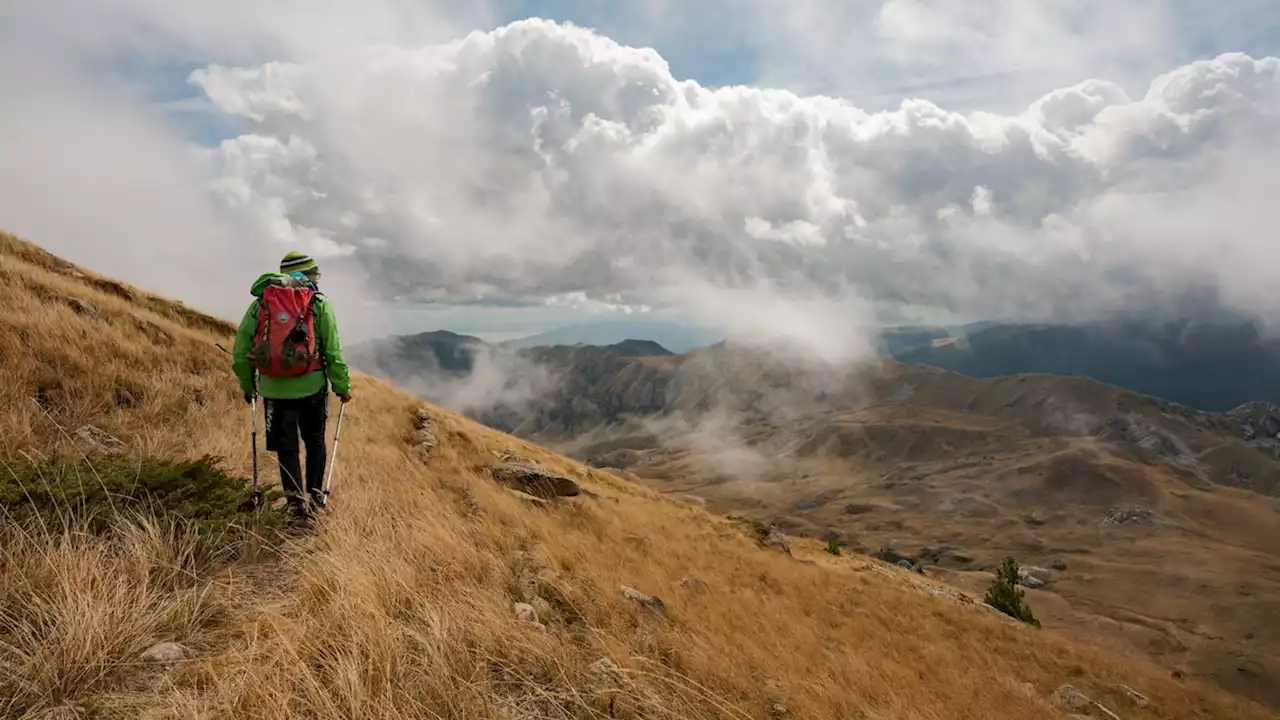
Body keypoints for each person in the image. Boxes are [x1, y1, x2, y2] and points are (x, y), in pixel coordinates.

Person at [232, 251, 351, 524]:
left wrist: (249, 386)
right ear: (308, 275)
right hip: (312, 388)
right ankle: (316, 498)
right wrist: (342, 386)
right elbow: (333, 352)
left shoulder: (260, 304)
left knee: (287, 448)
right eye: (315, 275)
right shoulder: (318, 303)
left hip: (273, 390)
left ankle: (296, 508)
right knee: (315, 441)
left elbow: (240, 352)